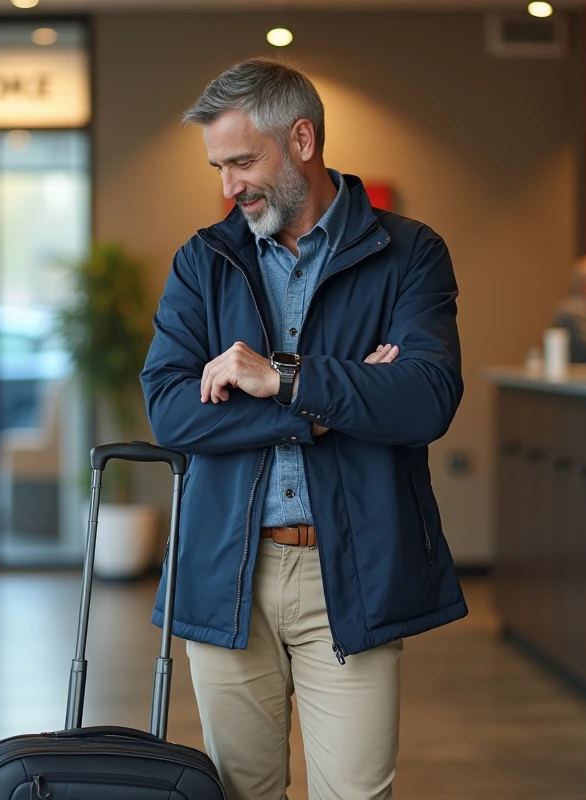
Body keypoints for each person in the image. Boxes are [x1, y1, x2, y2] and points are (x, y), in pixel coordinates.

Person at [140, 59, 467, 800]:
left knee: (355, 794)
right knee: (243, 794)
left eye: (242, 162)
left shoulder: (410, 253)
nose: (228, 186)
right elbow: (170, 408)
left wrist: (278, 376)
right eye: (218, 167)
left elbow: (425, 399)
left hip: (352, 571)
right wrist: (333, 403)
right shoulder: (202, 261)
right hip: (226, 570)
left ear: (303, 139)